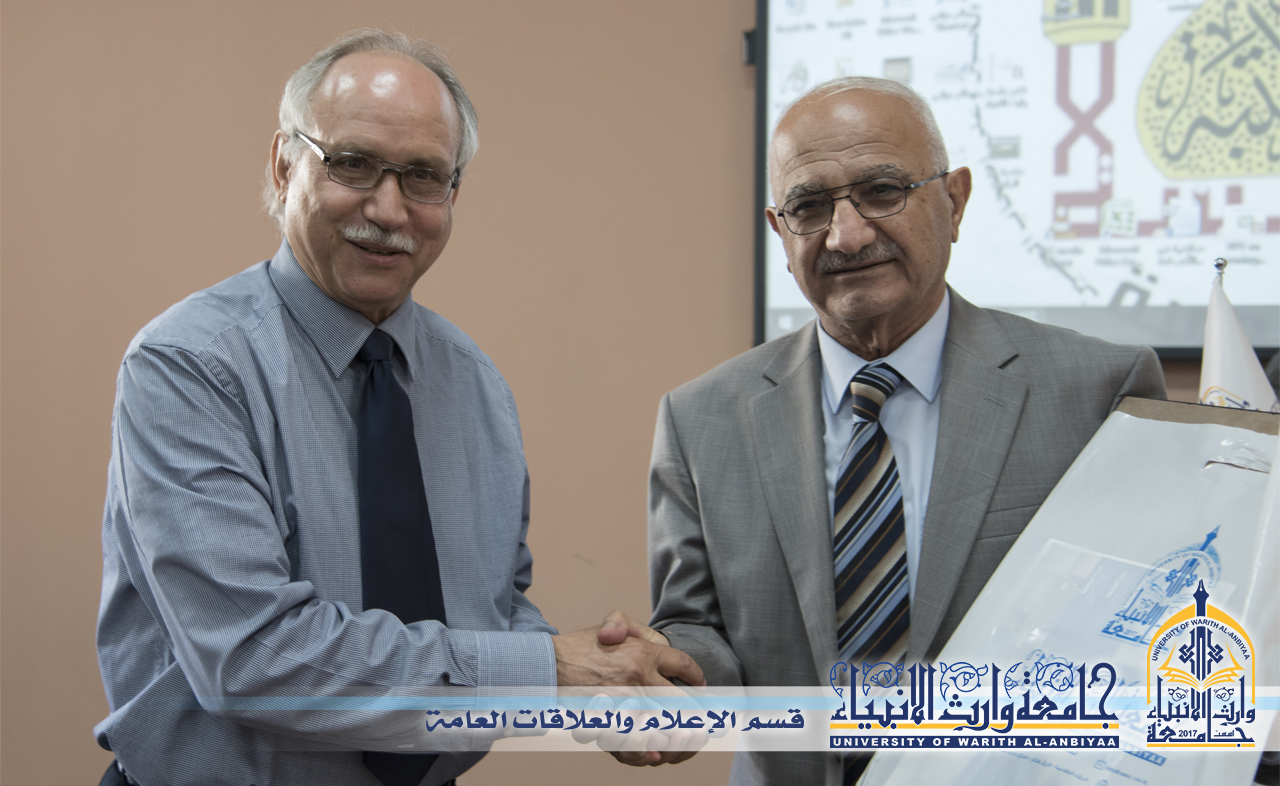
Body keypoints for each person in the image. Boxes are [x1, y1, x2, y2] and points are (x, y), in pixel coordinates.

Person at [94, 29, 700, 786]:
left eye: (422, 176)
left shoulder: (474, 384)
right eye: (352, 163)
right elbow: (253, 657)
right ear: (283, 166)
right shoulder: (190, 366)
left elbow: (491, 612)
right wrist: (551, 671)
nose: (388, 209)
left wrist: (598, 689)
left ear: (452, 194)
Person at [644, 77, 1166, 785]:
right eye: (809, 207)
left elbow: (1139, 632)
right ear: (780, 231)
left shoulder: (1098, 393)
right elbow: (695, 628)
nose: (847, 234)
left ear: (954, 201)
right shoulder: (700, 418)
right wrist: (670, 687)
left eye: (883, 191)